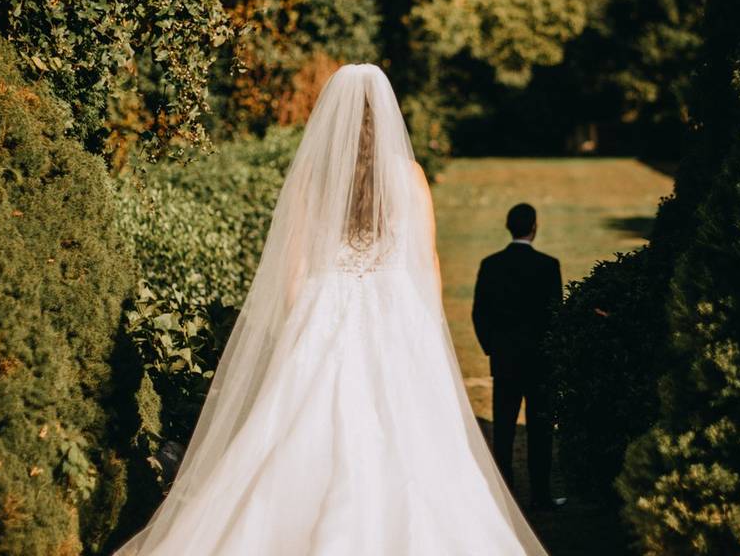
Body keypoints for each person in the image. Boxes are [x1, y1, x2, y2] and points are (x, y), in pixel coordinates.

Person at [114, 65, 547, 555]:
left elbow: (295, 272)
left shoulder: (312, 180)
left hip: (327, 311)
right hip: (395, 313)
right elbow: (427, 263)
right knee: (413, 441)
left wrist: (303, 332)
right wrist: (425, 335)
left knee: (301, 433)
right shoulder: (410, 176)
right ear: (385, 119)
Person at [472, 204, 564, 511]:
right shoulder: (549, 266)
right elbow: (555, 315)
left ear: (508, 226)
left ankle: (504, 491)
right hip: (539, 361)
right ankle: (540, 494)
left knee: (504, 429)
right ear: (533, 227)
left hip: (505, 359)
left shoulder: (491, 264)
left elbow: (478, 314)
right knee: (540, 430)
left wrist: (492, 347)